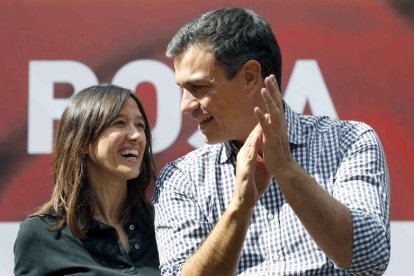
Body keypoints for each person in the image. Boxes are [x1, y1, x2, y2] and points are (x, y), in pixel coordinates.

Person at [152, 7, 390, 275]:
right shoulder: (182, 177)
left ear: (250, 76)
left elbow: (369, 259)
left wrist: (287, 170)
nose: (186, 106)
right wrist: (240, 207)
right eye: (182, 89)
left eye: (198, 87)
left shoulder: (349, 141)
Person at [14, 84, 160, 275]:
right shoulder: (41, 233)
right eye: (119, 123)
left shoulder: (163, 223)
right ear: (82, 141)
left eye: (140, 126)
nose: (136, 136)